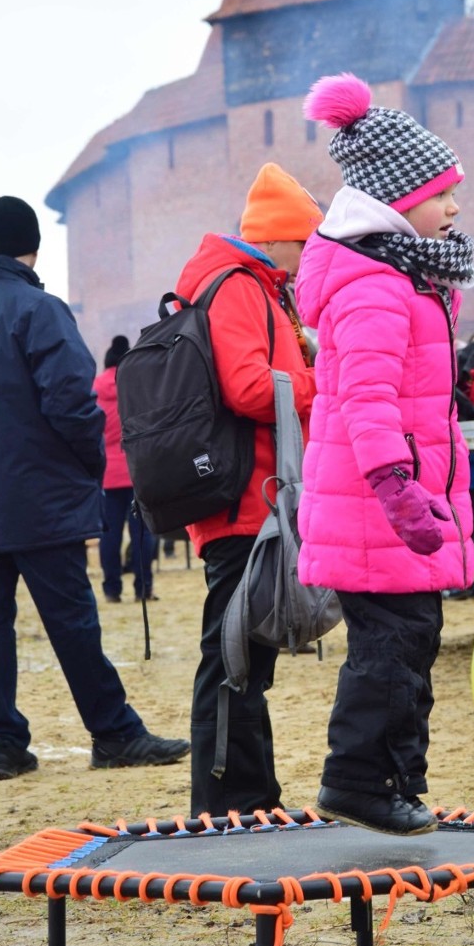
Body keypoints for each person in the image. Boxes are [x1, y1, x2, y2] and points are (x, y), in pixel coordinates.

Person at [295, 72, 474, 837]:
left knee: (410, 643)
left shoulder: (408, 277)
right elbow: (369, 402)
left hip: (399, 506)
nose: (455, 206)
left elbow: (417, 395)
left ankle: (397, 776)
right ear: (398, 200)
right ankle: (359, 779)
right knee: (389, 649)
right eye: (442, 194)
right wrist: (397, 486)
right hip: (378, 508)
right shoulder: (376, 286)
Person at [0, 196, 190, 780]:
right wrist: (89, 464)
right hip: (39, 496)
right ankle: (114, 733)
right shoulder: (39, 308)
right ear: (32, 245)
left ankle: (4, 744)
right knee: (71, 618)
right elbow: (71, 401)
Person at [175, 162, 322, 818]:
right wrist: (323, 385)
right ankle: (230, 801)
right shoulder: (238, 286)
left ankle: (249, 797)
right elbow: (251, 388)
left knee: (245, 658)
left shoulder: (247, 284)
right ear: (282, 237)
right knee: (233, 657)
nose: (310, 257)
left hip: (250, 498)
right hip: (243, 502)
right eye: (307, 242)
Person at [93, 335, 156, 603]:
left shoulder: (95, 386)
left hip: (107, 474)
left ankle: (111, 590)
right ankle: (143, 588)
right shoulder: (135, 383)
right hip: (137, 471)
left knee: (110, 535)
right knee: (142, 532)